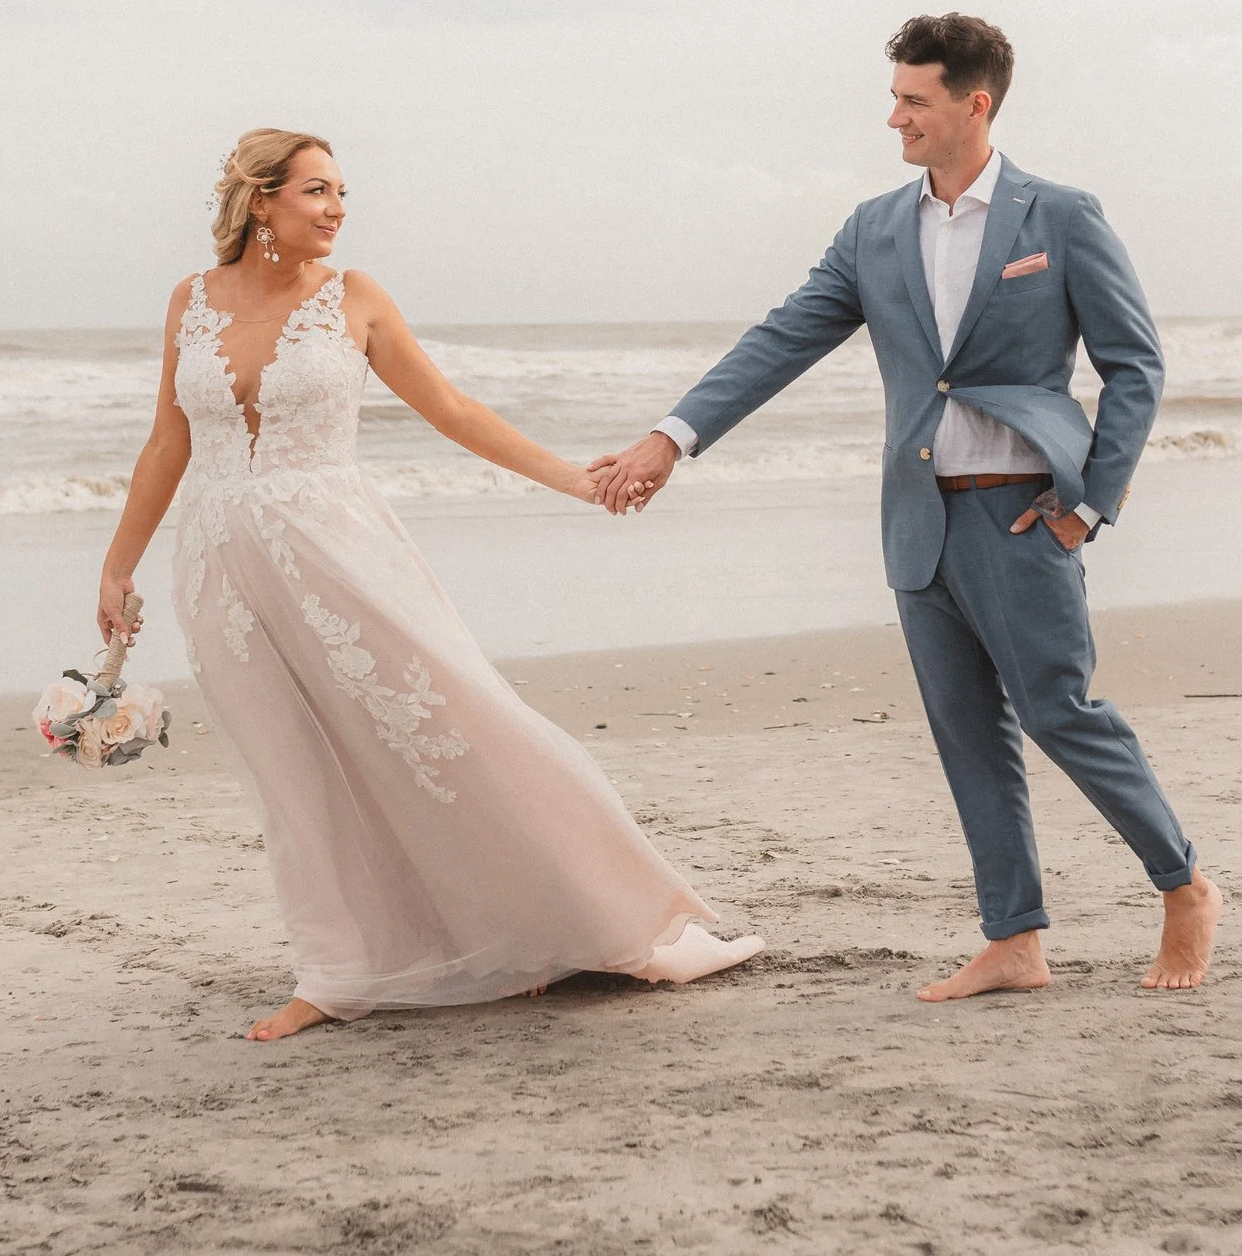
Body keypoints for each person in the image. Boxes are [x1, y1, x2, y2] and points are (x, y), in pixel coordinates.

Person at [589, 14, 1221, 1000]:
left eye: (913, 100)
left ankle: (1182, 885)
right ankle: (1014, 939)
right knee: (967, 730)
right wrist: (672, 435)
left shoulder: (1058, 216)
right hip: (918, 518)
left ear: (975, 104)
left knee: (1060, 713)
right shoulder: (874, 227)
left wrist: (1087, 504)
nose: (894, 118)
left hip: (1021, 513)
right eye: (894, 98)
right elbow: (782, 337)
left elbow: (1134, 364)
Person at [95, 129, 762, 1042]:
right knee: (292, 775)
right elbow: (169, 442)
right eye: (317, 191)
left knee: (457, 726)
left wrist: (573, 477)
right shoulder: (191, 302)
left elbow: (452, 410)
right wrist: (118, 563)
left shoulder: (354, 298)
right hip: (218, 563)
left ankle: (583, 917)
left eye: (341, 193)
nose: (336, 208)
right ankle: (334, 973)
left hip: (340, 554)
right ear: (261, 202)